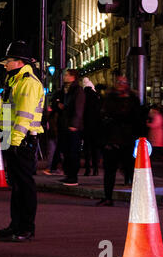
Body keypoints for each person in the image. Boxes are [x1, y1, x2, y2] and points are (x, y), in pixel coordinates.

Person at [0, 40, 44, 242]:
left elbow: (23, 116)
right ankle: (16, 225)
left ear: (19, 62)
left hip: (22, 141)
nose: (5, 64)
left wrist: (14, 141)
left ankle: (26, 227)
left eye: (8, 60)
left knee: (25, 186)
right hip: (15, 139)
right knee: (17, 186)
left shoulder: (28, 83)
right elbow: (7, 111)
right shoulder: (15, 81)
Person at [96, 75, 141, 206]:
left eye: (123, 82)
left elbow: (137, 119)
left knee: (130, 170)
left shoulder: (133, 99)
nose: (121, 84)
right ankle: (108, 197)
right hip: (111, 139)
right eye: (119, 82)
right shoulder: (110, 98)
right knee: (109, 171)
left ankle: (138, 199)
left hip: (127, 139)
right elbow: (103, 117)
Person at [58, 69, 85, 186]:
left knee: (73, 151)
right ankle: (69, 175)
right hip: (66, 124)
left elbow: (78, 108)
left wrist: (74, 124)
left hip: (72, 126)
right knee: (67, 151)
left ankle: (73, 176)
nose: (64, 77)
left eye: (67, 75)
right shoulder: (66, 90)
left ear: (73, 77)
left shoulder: (77, 90)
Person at [82, 77, 101, 176]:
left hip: (86, 125)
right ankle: (95, 168)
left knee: (87, 148)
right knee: (95, 148)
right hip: (96, 125)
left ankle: (87, 168)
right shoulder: (96, 95)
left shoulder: (83, 95)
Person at [43, 89, 64, 176]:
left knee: (53, 151)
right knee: (55, 151)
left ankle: (53, 167)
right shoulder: (57, 113)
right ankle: (54, 168)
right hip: (56, 133)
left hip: (54, 133)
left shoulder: (53, 113)